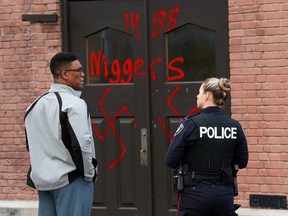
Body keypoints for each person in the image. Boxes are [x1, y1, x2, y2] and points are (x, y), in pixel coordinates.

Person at [24, 52, 97, 216]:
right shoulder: (75, 104)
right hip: (71, 179)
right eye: (78, 70)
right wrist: (88, 175)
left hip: (43, 181)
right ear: (65, 74)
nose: (83, 74)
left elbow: (31, 145)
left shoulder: (33, 106)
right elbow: (82, 144)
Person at [165, 77, 248, 216]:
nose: (197, 96)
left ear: (207, 95)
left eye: (199, 92)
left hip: (194, 194)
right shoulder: (235, 126)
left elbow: (170, 159)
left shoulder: (191, 124)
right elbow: (242, 161)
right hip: (224, 194)